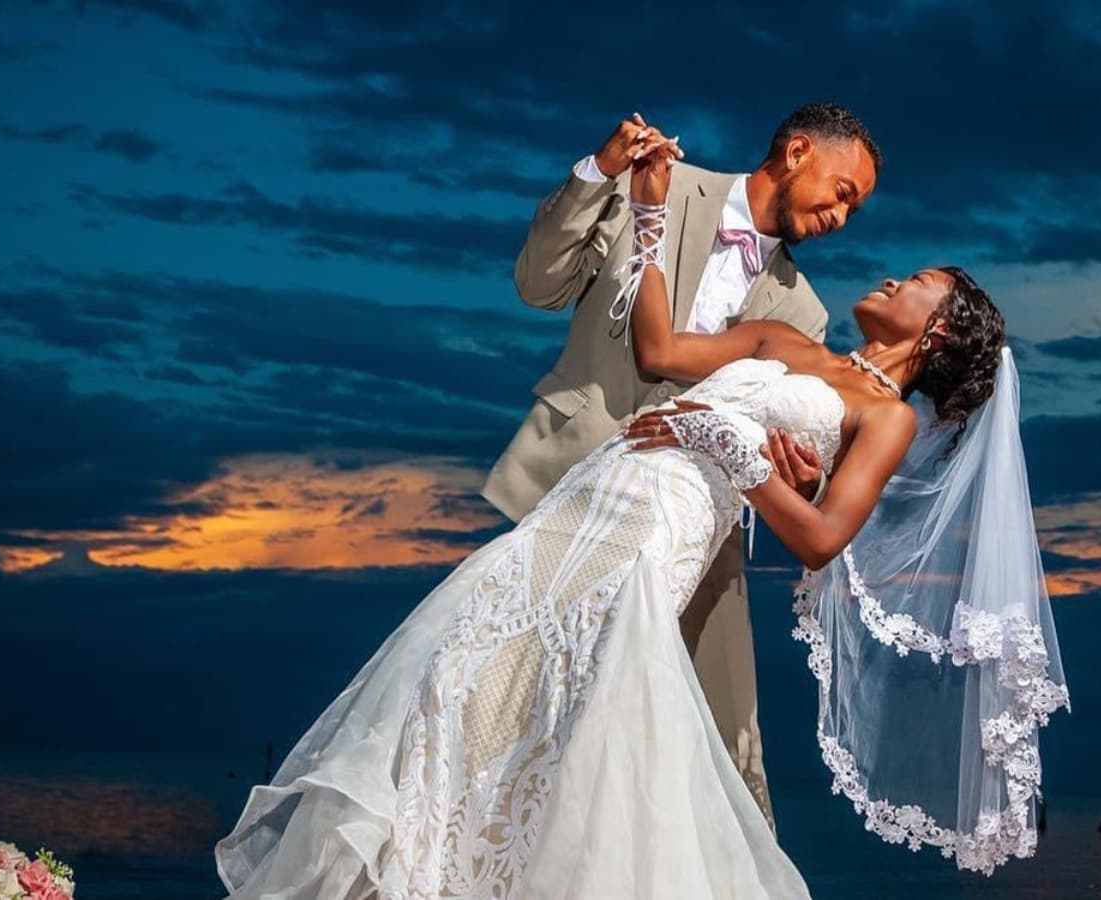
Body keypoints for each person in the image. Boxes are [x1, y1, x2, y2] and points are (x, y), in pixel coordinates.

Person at [213, 130, 1034, 898]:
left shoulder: (877, 406)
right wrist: (644, 215)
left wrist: (732, 445)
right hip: (582, 496)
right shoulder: (786, 342)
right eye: (845, 192)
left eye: (919, 282)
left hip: (659, 534)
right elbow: (660, 353)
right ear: (796, 151)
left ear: (935, 333)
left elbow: (819, 535)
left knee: (589, 727)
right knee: (460, 679)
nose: (882, 261)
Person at [482, 104, 880, 824]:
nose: (842, 218)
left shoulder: (806, 314)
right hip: (573, 483)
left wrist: (802, 474)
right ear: (796, 152)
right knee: (515, 705)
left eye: (854, 207)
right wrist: (597, 174)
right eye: (843, 192)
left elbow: (785, 444)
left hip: (690, 532)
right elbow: (538, 286)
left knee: (727, 743)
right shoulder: (656, 182)